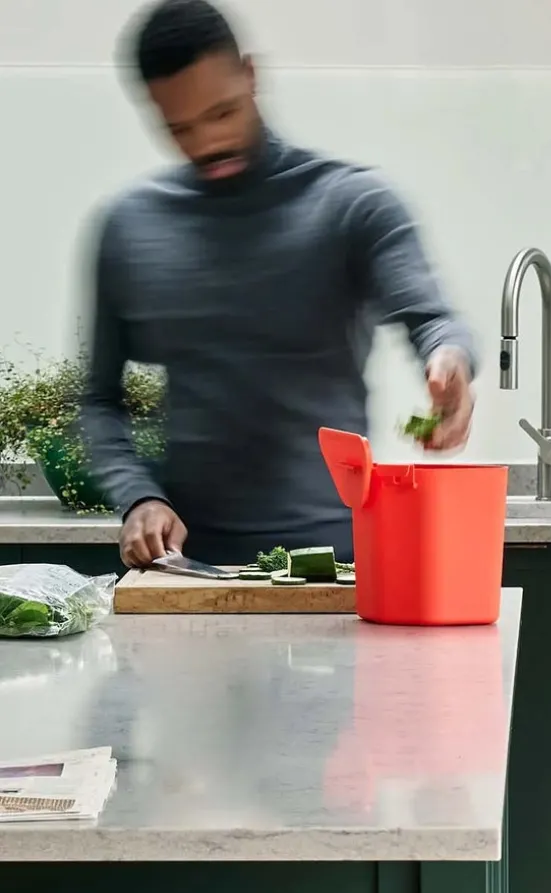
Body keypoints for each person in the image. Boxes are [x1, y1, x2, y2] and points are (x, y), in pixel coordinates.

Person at [81, 0, 476, 569]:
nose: (207, 144)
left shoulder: (351, 205)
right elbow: (99, 401)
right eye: (179, 129)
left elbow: (434, 322)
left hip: (337, 569)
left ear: (250, 75)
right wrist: (138, 497)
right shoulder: (129, 228)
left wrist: (450, 361)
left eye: (222, 113)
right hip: (191, 573)